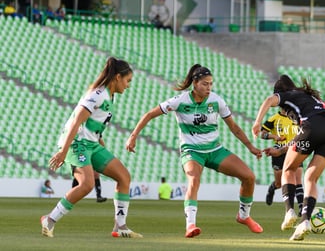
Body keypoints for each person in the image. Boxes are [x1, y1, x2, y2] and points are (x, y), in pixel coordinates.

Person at [126, 64, 263, 238]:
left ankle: (244, 216)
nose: (209, 87)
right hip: (191, 151)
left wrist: (251, 147)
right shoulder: (180, 100)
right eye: (205, 84)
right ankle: (190, 225)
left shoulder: (216, 100)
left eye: (211, 84)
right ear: (195, 83)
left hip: (215, 150)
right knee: (194, 179)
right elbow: (149, 114)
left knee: (249, 177)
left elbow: (234, 127)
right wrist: (133, 136)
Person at [40, 57, 142, 239]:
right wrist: (63, 151)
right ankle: (49, 219)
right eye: (128, 81)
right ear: (118, 77)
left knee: (124, 177)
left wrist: (102, 148)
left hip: (92, 145)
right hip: (76, 144)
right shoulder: (97, 94)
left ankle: (120, 226)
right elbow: (76, 122)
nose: (128, 86)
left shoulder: (109, 96)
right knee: (87, 184)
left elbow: (94, 127)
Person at [252, 74, 325, 241]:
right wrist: (281, 151)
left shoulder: (287, 95)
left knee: (288, 168)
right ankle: (305, 221)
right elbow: (303, 135)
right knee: (310, 178)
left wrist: (257, 122)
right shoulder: (309, 98)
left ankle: (289, 212)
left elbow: (268, 100)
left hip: (312, 126)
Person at [260, 108, 304, 217]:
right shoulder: (274, 119)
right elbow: (262, 133)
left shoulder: (296, 118)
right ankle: (272, 188)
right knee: (279, 183)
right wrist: (274, 136)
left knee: (297, 179)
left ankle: (302, 207)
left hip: (294, 149)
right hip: (278, 151)